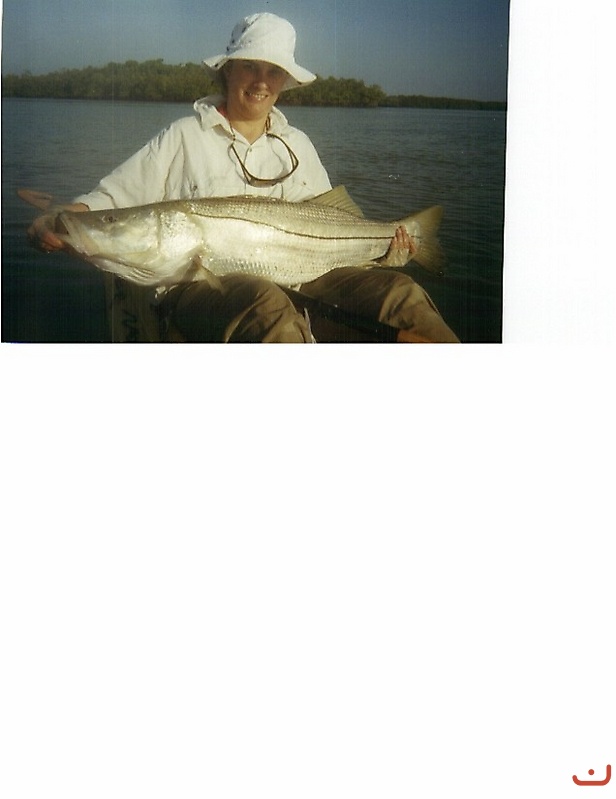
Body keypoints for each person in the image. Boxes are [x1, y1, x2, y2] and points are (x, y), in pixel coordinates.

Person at [27, 12, 460, 343]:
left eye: (274, 71)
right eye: (251, 66)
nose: (261, 81)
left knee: (402, 294)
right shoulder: (182, 136)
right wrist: (63, 217)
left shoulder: (298, 145)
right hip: (195, 284)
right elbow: (109, 201)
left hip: (309, 273)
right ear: (227, 70)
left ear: (285, 81)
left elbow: (333, 218)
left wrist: (389, 249)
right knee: (265, 305)